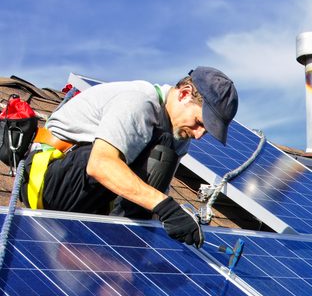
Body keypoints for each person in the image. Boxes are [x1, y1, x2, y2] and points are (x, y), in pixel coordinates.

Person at [22, 67, 238, 246]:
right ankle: (118, 243)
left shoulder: (178, 136)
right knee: (156, 151)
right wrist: (166, 207)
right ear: (184, 94)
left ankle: (123, 246)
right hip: (48, 182)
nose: (199, 135)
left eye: (206, 131)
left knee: (165, 151)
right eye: (199, 123)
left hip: (90, 196)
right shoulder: (139, 102)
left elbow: (155, 193)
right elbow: (100, 164)